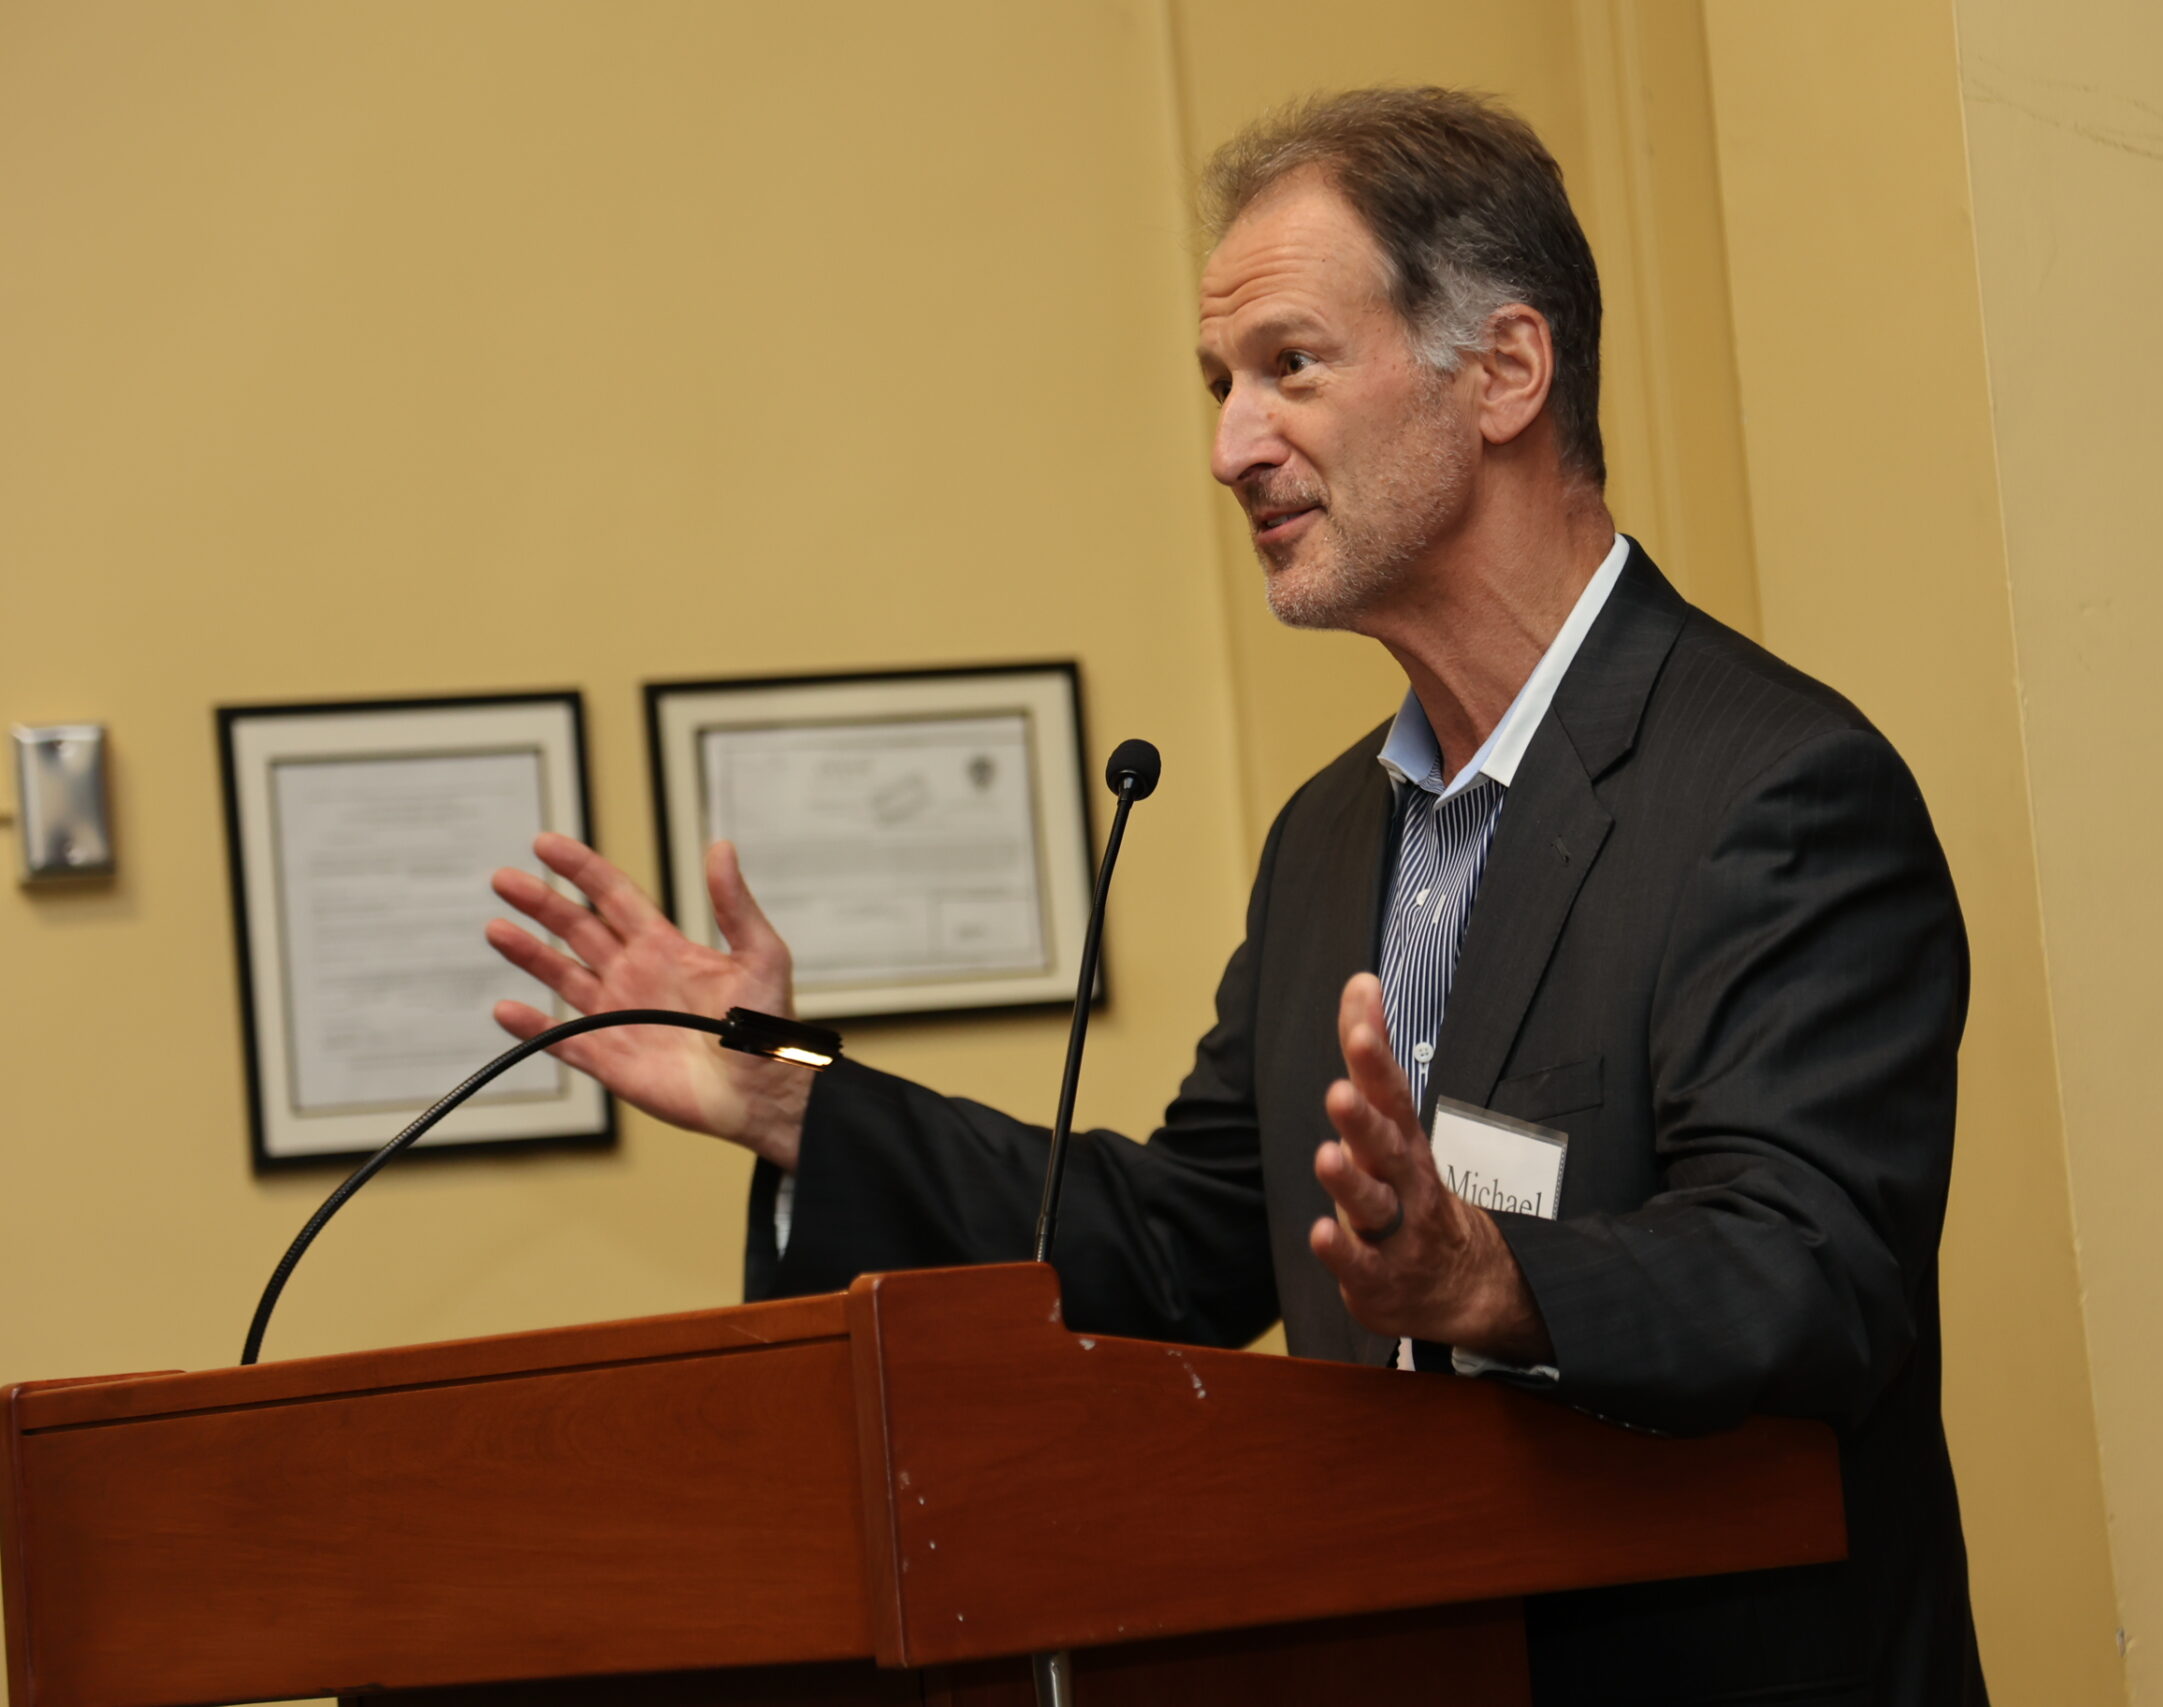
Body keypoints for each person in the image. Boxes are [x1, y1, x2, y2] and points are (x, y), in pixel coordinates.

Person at [489, 87, 1985, 1707]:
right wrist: (777, 1091)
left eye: (1289, 365)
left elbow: (1815, 1271)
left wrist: (1492, 1277)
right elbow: (1175, 1242)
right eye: (1219, 384)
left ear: (1503, 372)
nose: (1229, 446)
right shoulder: (1332, 838)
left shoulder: (1774, 792)